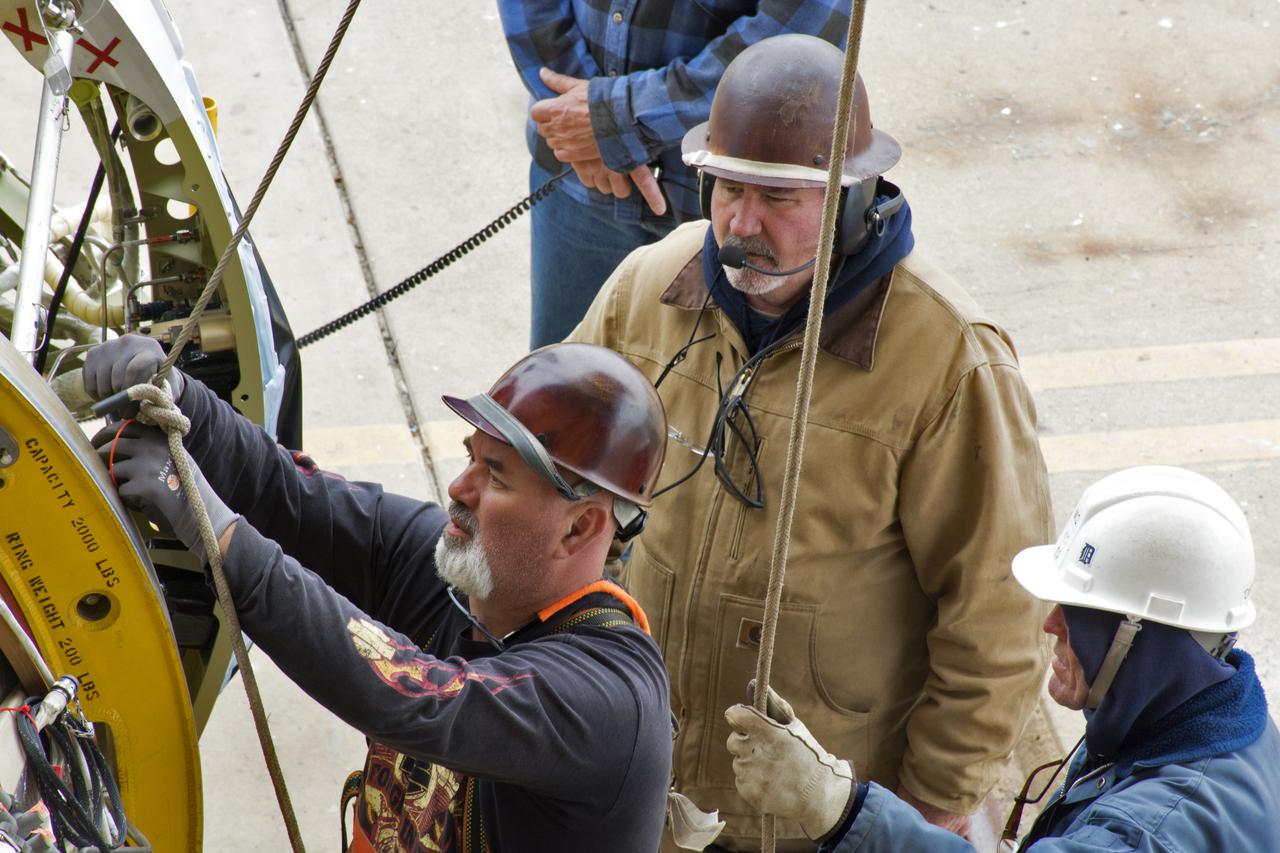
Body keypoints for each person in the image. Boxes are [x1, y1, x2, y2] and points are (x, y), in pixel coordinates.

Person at [569, 34, 1053, 850]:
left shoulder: (949, 359)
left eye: (780, 198)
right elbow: (556, 487)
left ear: (854, 197)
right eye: (726, 187)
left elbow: (998, 621)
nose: (740, 223)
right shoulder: (645, 292)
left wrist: (911, 820)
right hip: (641, 797)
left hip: (815, 827)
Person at [82, 335, 674, 852]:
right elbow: (289, 495)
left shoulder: (607, 699)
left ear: (582, 526)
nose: (459, 488)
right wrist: (185, 401)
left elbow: (417, 695)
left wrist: (218, 531)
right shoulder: (457, 571)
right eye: (471, 459)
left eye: (496, 476)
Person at [726, 465, 1280, 851]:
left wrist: (838, 807)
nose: (1050, 625)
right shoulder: (1210, 720)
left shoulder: (1152, 832)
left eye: (1081, 614)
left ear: (1142, 641)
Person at [497, 0, 855, 348]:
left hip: (718, 192)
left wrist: (612, 120)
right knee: (554, 384)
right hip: (581, 175)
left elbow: (798, 37)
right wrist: (578, 119)